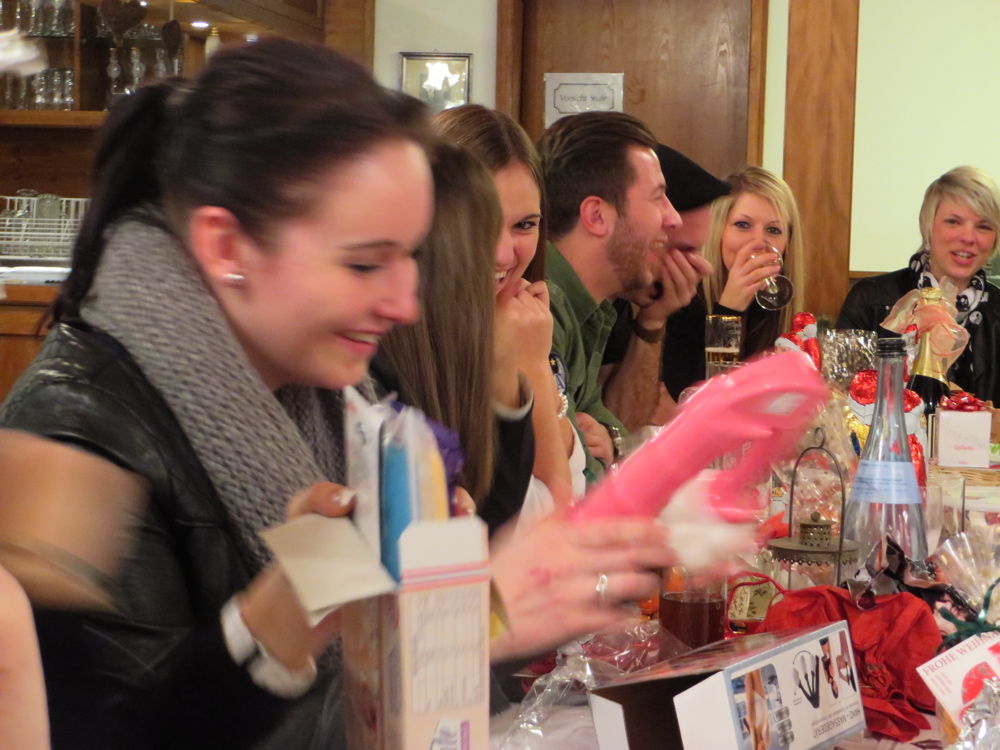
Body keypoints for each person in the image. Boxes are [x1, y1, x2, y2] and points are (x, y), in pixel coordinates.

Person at [0, 39, 672, 749]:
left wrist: (470, 609)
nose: (404, 302)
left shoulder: (333, 397)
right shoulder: (76, 427)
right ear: (226, 247)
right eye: (363, 264)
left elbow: (353, 645)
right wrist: (298, 618)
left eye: (409, 256)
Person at [430, 103, 580, 521]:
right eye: (481, 223)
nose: (502, 253)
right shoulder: (403, 342)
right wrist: (531, 364)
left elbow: (574, 480)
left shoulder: (524, 316)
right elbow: (554, 515)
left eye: (524, 225)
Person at [537, 111, 681, 481]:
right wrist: (600, 455)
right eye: (658, 198)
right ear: (597, 216)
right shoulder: (543, 305)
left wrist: (611, 441)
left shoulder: (593, 308)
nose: (673, 218)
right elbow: (575, 484)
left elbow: (604, 428)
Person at [836, 166, 1000, 404]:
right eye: (953, 222)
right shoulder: (870, 299)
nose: (968, 237)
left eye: (983, 226)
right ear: (928, 227)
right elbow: (840, 399)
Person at [601, 143, 728, 429]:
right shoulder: (562, 297)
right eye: (683, 251)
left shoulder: (626, 303)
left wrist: (653, 320)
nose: (699, 268)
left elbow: (621, 426)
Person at [661, 165, 805, 401]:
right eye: (743, 225)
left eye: (773, 230)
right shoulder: (684, 300)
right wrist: (728, 312)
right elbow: (693, 398)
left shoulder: (778, 304)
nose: (759, 242)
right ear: (719, 231)